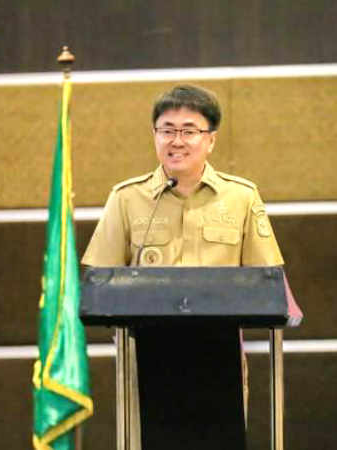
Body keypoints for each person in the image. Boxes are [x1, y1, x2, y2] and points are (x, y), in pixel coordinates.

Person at [81, 84, 285, 446]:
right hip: (145, 360)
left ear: (211, 139)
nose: (176, 141)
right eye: (167, 130)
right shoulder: (127, 198)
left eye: (189, 131)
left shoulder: (241, 197)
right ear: (155, 136)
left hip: (219, 357)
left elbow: (266, 281)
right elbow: (99, 282)